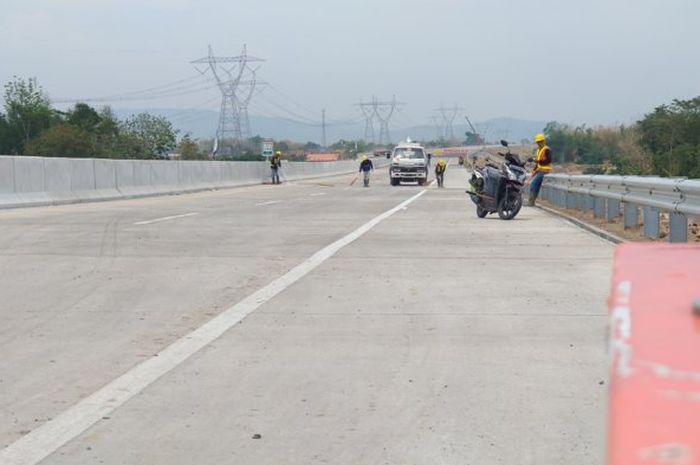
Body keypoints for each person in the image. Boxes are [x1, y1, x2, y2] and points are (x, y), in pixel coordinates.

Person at [528, 133, 553, 205]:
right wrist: (534, 170)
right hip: (539, 170)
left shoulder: (547, 150)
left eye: (540, 142)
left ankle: (531, 202)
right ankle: (532, 202)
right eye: (538, 142)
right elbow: (538, 163)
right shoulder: (539, 150)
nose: (539, 143)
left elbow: (549, 160)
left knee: (533, 185)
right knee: (536, 186)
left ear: (543, 141)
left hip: (544, 171)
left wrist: (537, 161)